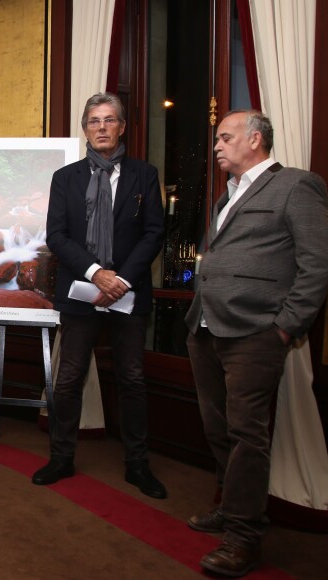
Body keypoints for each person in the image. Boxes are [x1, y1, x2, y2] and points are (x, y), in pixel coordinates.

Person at [185, 110, 328, 577]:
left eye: (225, 137)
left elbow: (317, 264)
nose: (217, 146)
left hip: (255, 333)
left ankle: (244, 538)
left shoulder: (297, 185)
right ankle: (231, 509)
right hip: (206, 328)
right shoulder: (230, 194)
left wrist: (285, 327)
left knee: (248, 435)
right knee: (217, 427)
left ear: (255, 139)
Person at [32, 92, 167, 499]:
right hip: (79, 292)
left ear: (122, 127)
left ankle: (137, 465)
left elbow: (154, 233)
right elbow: (57, 235)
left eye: (110, 120)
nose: (102, 127)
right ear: (85, 129)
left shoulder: (145, 174)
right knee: (69, 378)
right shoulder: (66, 178)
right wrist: (96, 273)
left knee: (132, 379)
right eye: (94, 121)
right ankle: (61, 457)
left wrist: (120, 280)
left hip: (128, 294)